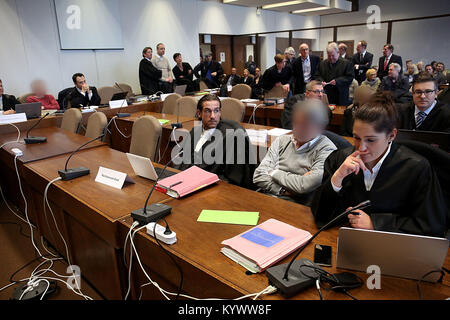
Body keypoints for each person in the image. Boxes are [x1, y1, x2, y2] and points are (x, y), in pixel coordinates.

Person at [312, 92, 447, 237]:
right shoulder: (340, 159)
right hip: (346, 238)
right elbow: (320, 215)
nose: (361, 148)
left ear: (391, 136)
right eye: (356, 137)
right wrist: (337, 178)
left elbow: (430, 225)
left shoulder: (416, 167)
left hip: (394, 246)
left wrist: (376, 223)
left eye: (371, 140)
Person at [254, 99, 336, 206]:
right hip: (267, 196)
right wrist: (283, 190)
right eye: (296, 123)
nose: (297, 129)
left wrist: (273, 172)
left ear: (318, 127)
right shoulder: (282, 140)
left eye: (304, 125)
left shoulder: (327, 150)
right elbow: (258, 175)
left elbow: (303, 186)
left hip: (296, 205)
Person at [176, 94, 256, 188]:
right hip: (187, 183)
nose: (213, 116)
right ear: (199, 113)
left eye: (216, 111)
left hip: (212, 188)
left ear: (220, 112)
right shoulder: (195, 131)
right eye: (207, 111)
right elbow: (180, 161)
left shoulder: (233, 137)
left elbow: (232, 178)